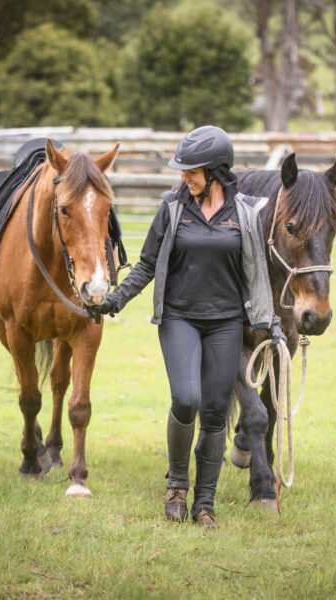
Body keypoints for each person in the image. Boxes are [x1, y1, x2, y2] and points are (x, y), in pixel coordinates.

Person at [91, 125, 285, 529]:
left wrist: (273, 324)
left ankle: (205, 503)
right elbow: (146, 263)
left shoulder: (246, 212)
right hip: (179, 317)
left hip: (226, 323)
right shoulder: (173, 207)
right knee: (186, 399)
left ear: (215, 170)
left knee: (215, 412)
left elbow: (257, 276)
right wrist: (116, 298)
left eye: (191, 171)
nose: (184, 177)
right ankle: (177, 484)